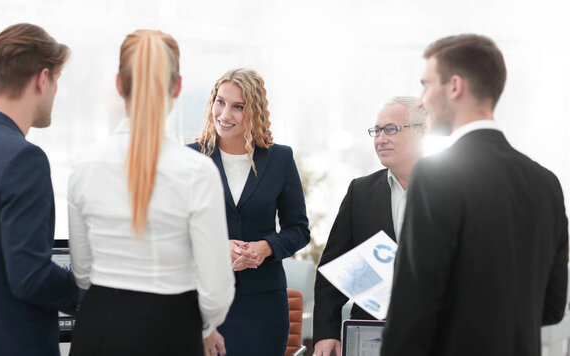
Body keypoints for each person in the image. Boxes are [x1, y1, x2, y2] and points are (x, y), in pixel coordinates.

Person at [382, 34, 569, 356]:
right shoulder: (546, 183)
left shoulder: (434, 174)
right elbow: (552, 307)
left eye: (426, 85)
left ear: (455, 86)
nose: (422, 101)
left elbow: (412, 313)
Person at [68, 30, 234, 356]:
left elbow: (83, 271)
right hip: (171, 329)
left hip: (97, 328)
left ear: (119, 84)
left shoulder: (84, 166)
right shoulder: (197, 173)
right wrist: (200, 327)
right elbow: (216, 292)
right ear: (177, 87)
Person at [0, 23, 81, 355]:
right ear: (42, 79)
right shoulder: (24, 159)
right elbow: (30, 276)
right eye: (57, 81)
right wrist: (92, 297)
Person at [188, 68, 310, 356]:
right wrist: (217, 247)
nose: (225, 114)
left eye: (238, 107)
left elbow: (299, 230)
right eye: (220, 102)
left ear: (254, 110)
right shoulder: (190, 158)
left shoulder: (279, 158)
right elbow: (174, 231)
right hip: (202, 299)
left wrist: (266, 247)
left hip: (263, 306)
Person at [313, 96, 426, 356]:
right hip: (370, 336)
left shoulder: (453, 191)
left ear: (422, 132)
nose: (380, 138)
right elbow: (331, 271)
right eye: (377, 131)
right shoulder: (360, 192)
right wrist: (326, 334)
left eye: (391, 129)